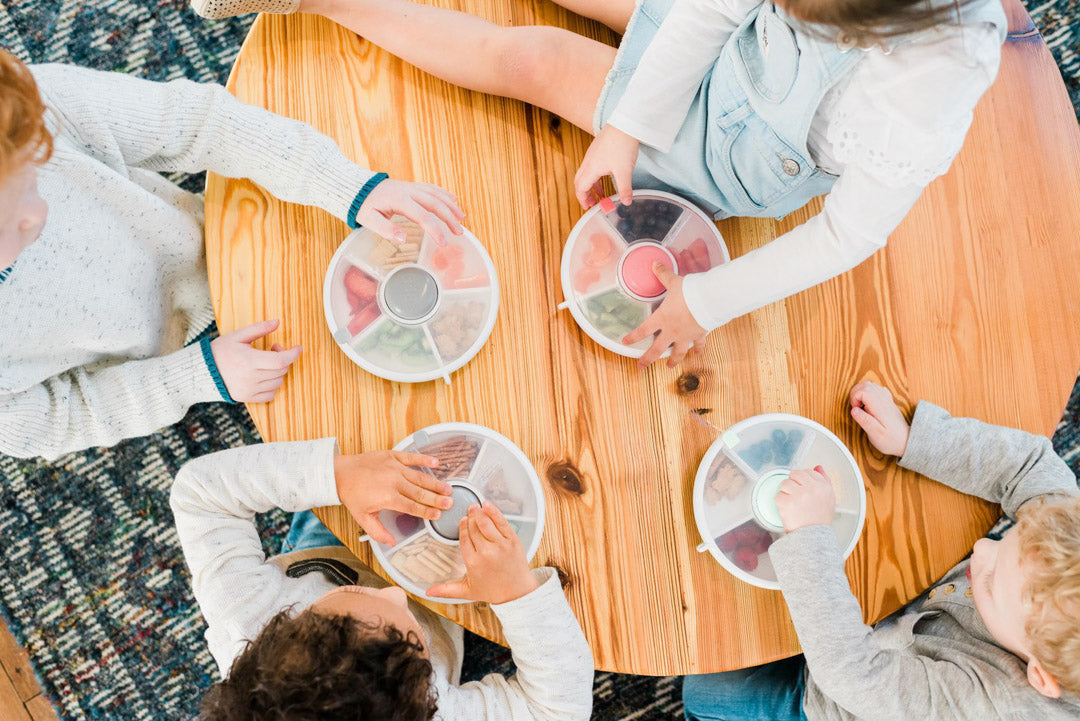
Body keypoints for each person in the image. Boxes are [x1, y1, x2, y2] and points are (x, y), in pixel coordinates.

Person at [190, 0, 1006, 368]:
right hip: (722, 58)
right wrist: (625, 124)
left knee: (530, 58)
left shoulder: (934, 79)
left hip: (723, 159)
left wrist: (706, 300)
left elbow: (850, 234)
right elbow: (710, 13)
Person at [0, 49, 465, 459]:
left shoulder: (22, 109)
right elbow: (58, 420)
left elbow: (201, 122)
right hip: (165, 361)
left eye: (35, 177)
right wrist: (196, 376)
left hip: (218, 244)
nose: (38, 212)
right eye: (12, 218)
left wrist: (346, 186)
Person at [681, 380, 1080, 721]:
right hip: (896, 619)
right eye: (1007, 539)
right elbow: (1027, 464)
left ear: (1040, 675)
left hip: (842, 696)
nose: (981, 549)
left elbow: (853, 675)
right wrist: (913, 438)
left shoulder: (989, 705)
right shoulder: (1066, 541)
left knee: (704, 692)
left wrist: (808, 535)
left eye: (991, 583)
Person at [170, 438, 594, 720]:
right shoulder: (438, 712)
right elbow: (560, 709)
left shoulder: (243, 616)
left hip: (332, 542)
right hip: (450, 600)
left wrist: (337, 476)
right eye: (416, 639)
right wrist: (515, 595)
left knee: (360, 449)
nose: (396, 592)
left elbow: (199, 492)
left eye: (348, 594)